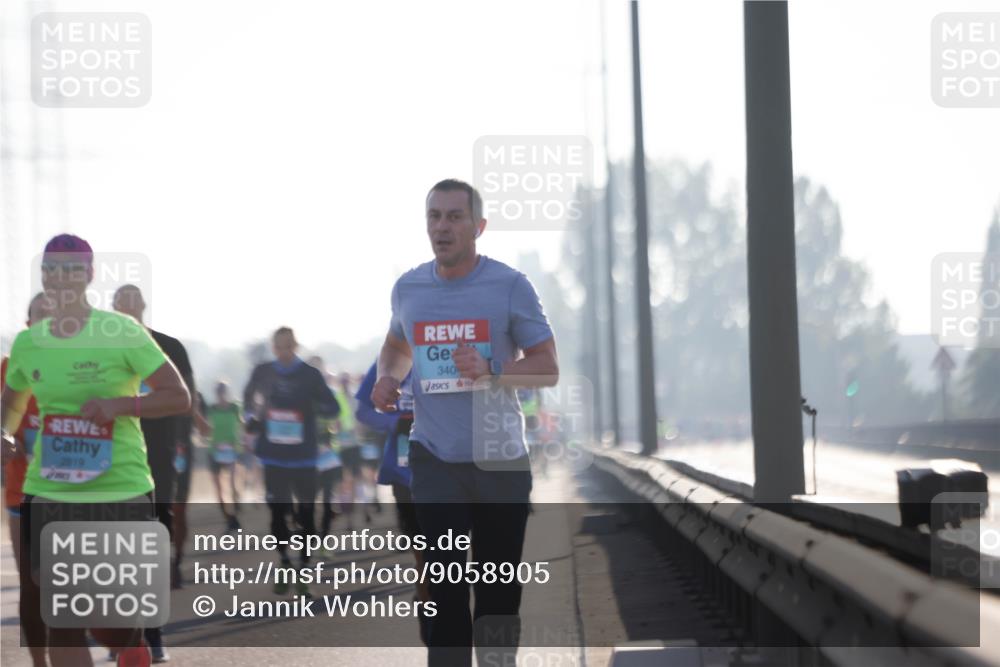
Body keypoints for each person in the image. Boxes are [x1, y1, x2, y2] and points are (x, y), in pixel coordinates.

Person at [371, 179, 559, 666]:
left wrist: (493, 370)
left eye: (455, 217)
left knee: (497, 594)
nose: (443, 227)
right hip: (435, 459)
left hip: (500, 462)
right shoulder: (408, 288)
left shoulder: (510, 286)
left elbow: (548, 367)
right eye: (434, 216)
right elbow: (396, 346)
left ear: (479, 226)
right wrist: (389, 377)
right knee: (445, 590)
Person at [2, 234, 191, 667]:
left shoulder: (121, 331)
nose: (61, 278)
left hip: (118, 488)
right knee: (61, 615)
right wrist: (4, 432)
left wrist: (118, 406)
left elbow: (177, 396)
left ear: (88, 275)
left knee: (113, 623)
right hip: (49, 488)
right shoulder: (29, 342)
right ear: (44, 276)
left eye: (71, 269)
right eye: (52, 269)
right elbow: (11, 403)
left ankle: (130, 643)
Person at [113, 283, 197, 663]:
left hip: (159, 457)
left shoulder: (169, 346)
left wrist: (182, 447)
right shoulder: (103, 350)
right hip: (113, 459)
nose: (127, 309)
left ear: (143, 306)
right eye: (120, 304)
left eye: (133, 302)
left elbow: (185, 400)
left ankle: (152, 632)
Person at [243, 327, 340, 597]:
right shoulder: (263, 371)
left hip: (304, 458)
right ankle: (285, 562)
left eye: (288, 346)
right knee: (277, 514)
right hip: (273, 456)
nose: (283, 352)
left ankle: (304, 570)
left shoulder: (310, 374)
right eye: (279, 346)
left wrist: (318, 406)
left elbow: (332, 407)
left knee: (307, 516)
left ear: (296, 346)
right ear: (273, 347)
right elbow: (249, 401)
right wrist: (252, 418)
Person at [355, 360, 429, 644]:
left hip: (449, 466)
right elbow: (362, 410)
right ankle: (426, 598)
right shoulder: (386, 362)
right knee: (422, 550)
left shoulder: (445, 351)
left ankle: (440, 601)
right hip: (403, 471)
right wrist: (395, 421)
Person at [1, 292, 54, 667]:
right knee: (32, 587)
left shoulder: (84, 368)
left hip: (72, 494)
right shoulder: (9, 367)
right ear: (28, 324)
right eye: (40, 316)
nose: (47, 323)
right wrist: (8, 438)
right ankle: (40, 662)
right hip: (23, 493)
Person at [171, 391, 209, 588]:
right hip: (148, 449)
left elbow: (205, 430)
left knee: (179, 511)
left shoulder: (188, 387)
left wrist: (194, 410)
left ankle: (177, 561)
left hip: (180, 452)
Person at [206, 381, 244, 530]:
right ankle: (228, 518)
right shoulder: (211, 409)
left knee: (233, 484)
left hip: (232, 449)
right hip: (214, 451)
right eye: (218, 392)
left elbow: (242, 424)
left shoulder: (235, 407)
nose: (221, 395)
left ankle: (235, 508)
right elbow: (206, 428)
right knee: (219, 488)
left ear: (227, 393)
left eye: (223, 392)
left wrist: (243, 439)